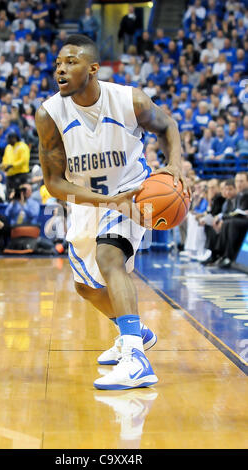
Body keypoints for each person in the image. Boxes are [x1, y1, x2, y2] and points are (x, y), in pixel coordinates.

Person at [35, 35, 188, 390]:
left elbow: (167, 127)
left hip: (133, 194)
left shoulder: (128, 99)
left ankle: (135, 358)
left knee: (109, 258)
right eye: (58, 62)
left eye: (71, 62)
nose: (61, 68)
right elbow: (55, 183)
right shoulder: (49, 114)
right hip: (88, 202)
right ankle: (135, 331)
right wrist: (105, 203)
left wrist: (175, 164)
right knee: (86, 287)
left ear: (92, 68)